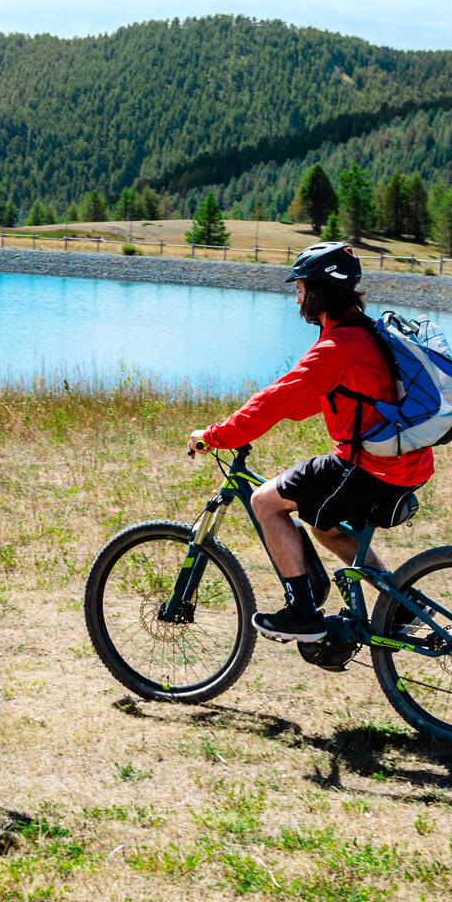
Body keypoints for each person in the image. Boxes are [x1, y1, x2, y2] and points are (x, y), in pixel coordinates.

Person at [186, 241, 433, 644]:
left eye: (300, 288)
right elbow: (304, 402)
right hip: (405, 464)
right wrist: (277, 411)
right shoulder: (364, 332)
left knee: (265, 502)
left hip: (367, 467)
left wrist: (216, 435)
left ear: (318, 292)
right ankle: (402, 608)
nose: (296, 296)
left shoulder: (337, 347)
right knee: (324, 526)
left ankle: (302, 614)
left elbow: (276, 399)